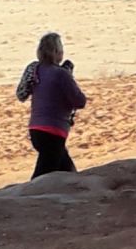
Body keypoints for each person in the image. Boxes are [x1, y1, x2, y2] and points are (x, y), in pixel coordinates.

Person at [15, 33, 86, 179]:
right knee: (42, 178)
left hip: (36, 129)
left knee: (68, 174)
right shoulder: (61, 74)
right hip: (54, 132)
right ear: (56, 52)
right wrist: (68, 77)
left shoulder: (34, 69)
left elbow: (21, 94)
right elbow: (80, 101)